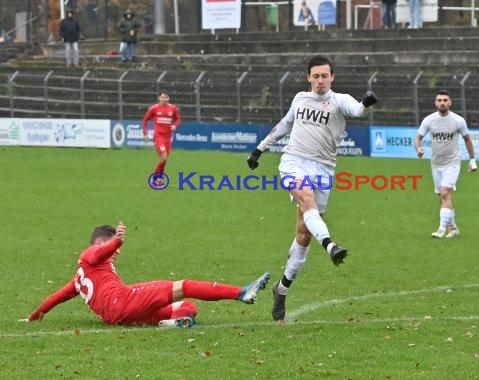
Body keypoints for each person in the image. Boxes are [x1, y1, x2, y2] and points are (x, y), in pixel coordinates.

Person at [246, 55, 378, 322]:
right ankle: (330, 245)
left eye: (324, 76)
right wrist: (259, 149)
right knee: (307, 201)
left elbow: (357, 110)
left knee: (303, 237)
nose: (320, 80)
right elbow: (285, 124)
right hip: (293, 162)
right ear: (308, 78)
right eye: (315, 76)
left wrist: (366, 103)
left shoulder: (339, 100)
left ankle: (281, 291)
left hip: (324, 169)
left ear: (332, 77)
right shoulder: (300, 99)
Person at [22, 222, 270, 328]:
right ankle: (242, 292)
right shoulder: (90, 255)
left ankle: (171, 324)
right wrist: (116, 241)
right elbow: (99, 253)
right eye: (108, 244)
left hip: (118, 316)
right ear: (99, 242)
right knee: (182, 285)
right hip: (123, 301)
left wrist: (35, 316)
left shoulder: (79, 278)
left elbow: (55, 297)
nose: (116, 252)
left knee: (186, 307)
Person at [414, 90, 477, 239]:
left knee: (444, 193)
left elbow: (467, 139)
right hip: (436, 163)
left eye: (445, 100)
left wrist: (472, 160)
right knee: (443, 198)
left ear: (450, 103)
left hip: (453, 162)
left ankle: (441, 230)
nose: (442, 102)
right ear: (436, 103)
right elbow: (418, 137)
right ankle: (454, 229)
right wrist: (418, 148)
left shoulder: (458, 120)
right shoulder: (429, 120)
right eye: (439, 100)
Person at [142, 91, 181, 186]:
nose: (165, 99)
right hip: (158, 136)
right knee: (163, 156)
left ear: (169, 98)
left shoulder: (173, 108)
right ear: (159, 98)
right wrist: (145, 133)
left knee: (164, 159)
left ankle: (158, 179)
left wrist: (175, 125)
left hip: (168, 138)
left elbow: (178, 119)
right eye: (163, 97)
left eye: (167, 97)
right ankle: (155, 179)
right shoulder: (154, 108)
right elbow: (145, 119)